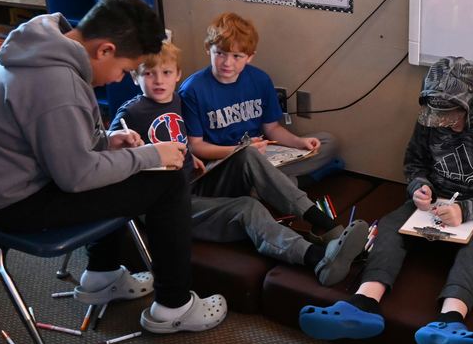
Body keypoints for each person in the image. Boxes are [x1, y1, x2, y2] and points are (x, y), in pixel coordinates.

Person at [0, 0, 226, 334]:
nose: (118, 79)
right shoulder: (56, 84)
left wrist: (106, 141)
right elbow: (78, 176)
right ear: (105, 50)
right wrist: (149, 155)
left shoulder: (46, 39)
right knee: (168, 181)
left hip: (11, 179)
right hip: (11, 204)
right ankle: (173, 307)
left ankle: (102, 275)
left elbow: (57, 140)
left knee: (121, 164)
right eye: (124, 70)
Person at [298, 56, 473, 344]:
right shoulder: (429, 119)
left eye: (451, 114)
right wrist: (419, 187)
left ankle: (450, 322)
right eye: (438, 114)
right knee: (391, 227)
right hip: (432, 203)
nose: (443, 122)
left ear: (470, 104)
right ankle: (361, 304)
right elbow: (415, 163)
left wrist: (466, 209)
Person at [111, 41, 367, 285]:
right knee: (248, 207)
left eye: (165, 72)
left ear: (177, 74)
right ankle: (318, 259)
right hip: (166, 205)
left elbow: (180, 138)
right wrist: (119, 140)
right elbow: (107, 148)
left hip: (193, 183)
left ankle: (324, 223)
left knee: (247, 154)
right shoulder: (130, 113)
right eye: (148, 74)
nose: (158, 80)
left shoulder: (178, 100)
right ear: (135, 77)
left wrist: (191, 156)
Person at [179, 12, 340, 182]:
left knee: (328, 142)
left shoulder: (260, 79)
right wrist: (241, 151)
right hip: (224, 160)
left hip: (262, 153)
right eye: (220, 53)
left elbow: (272, 129)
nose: (227, 63)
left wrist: (299, 142)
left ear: (249, 57)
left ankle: (275, 183)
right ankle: (288, 183)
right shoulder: (192, 89)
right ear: (208, 49)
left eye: (236, 56)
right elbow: (196, 146)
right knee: (255, 179)